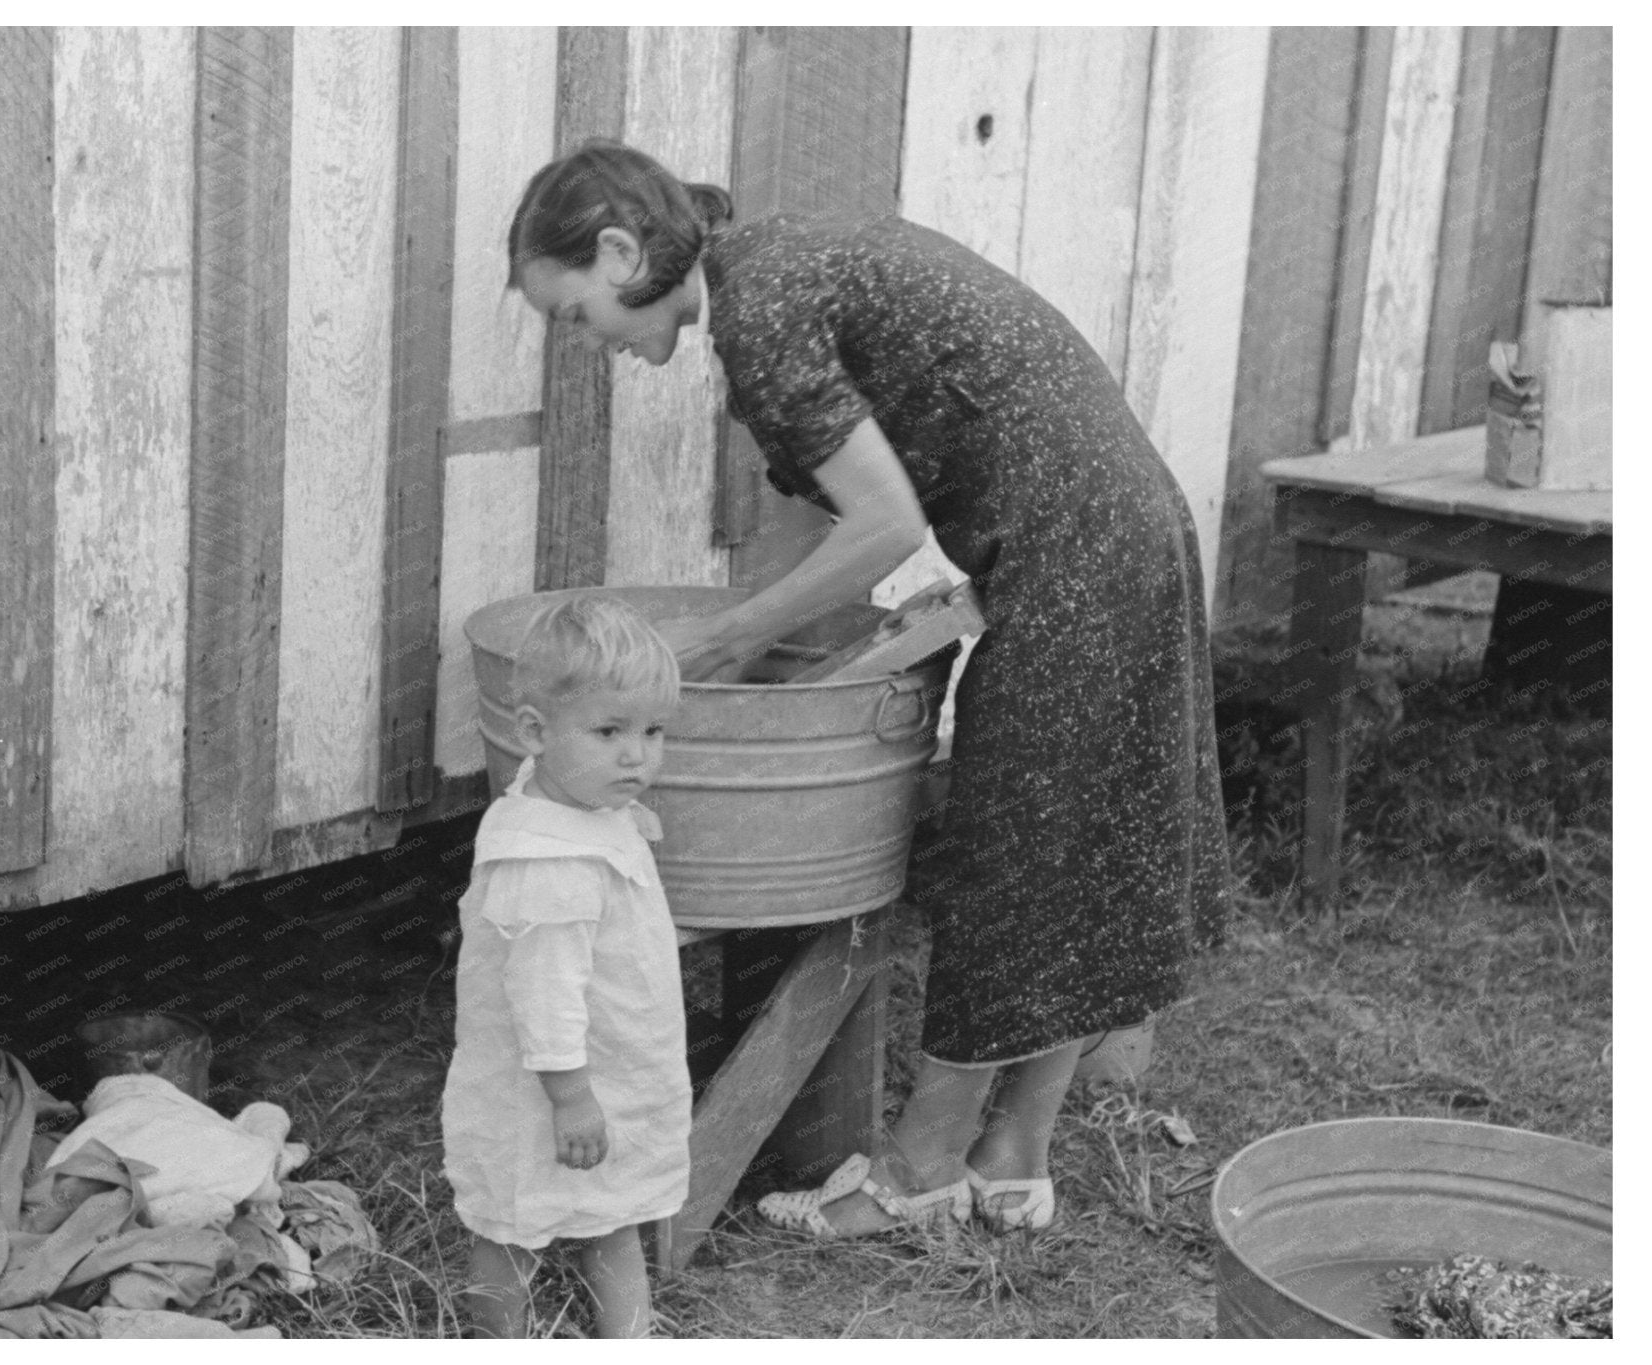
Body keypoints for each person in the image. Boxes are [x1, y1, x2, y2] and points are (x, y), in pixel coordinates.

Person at [505, 141, 1229, 1238]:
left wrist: (731, 636)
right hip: (1119, 525)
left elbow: (886, 525)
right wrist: (743, 660)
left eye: (573, 313)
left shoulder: (758, 309)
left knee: (1014, 849)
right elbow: (822, 509)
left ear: (619, 250)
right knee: (1079, 843)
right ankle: (1014, 1154)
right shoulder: (768, 271)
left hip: (1077, 548)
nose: (588, 342)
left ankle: (918, 1172)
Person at [440, 596, 690, 1336]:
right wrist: (572, 1096)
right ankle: (497, 1338)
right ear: (534, 733)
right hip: (547, 1087)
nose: (636, 754)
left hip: (606, 1064)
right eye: (609, 731)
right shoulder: (548, 863)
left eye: (652, 731)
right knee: (513, 1224)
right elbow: (544, 993)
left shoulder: (577, 806)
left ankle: (629, 1338)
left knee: (617, 1212)